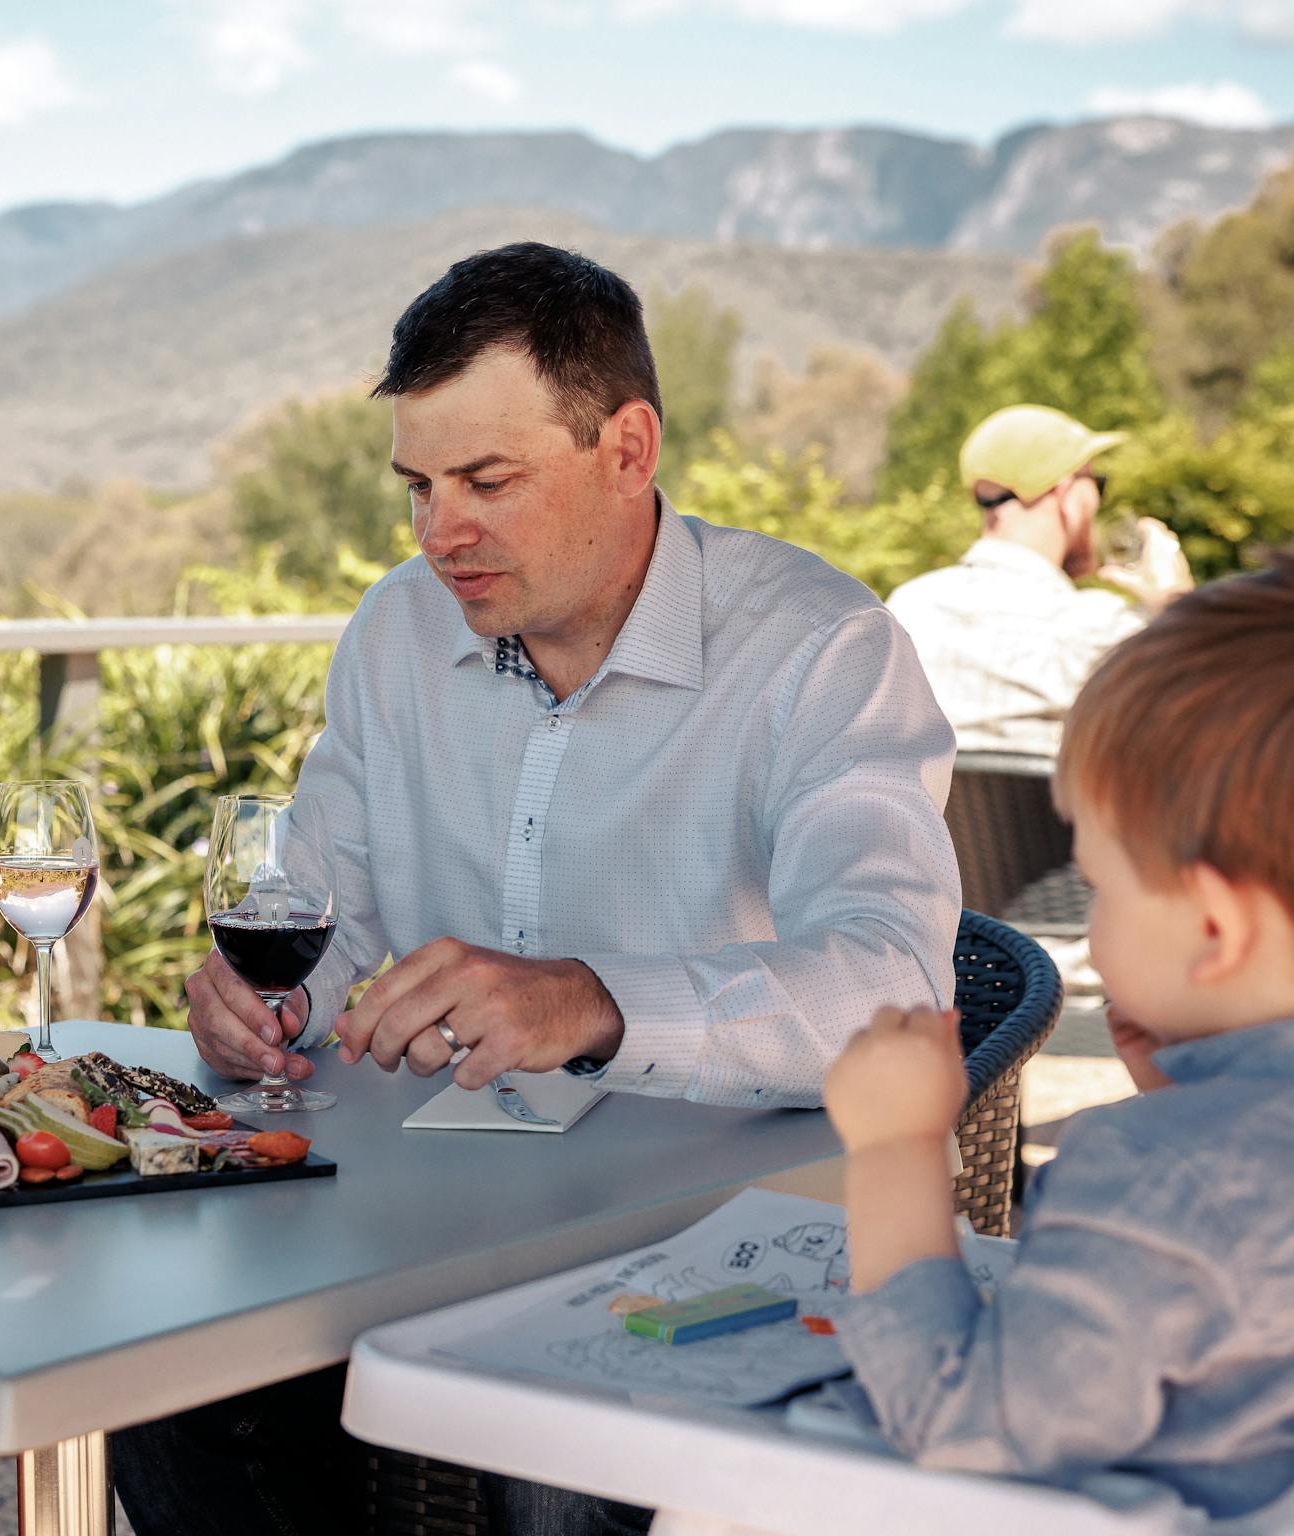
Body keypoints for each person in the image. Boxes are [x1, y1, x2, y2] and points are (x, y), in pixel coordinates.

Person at [115, 242, 962, 1536]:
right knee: (178, 1386)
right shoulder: (397, 634)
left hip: (702, 1238)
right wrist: (258, 1001)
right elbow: (315, 909)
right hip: (422, 1217)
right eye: (417, 486)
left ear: (629, 448)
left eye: (487, 481)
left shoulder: (822, 651)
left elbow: (891, 983)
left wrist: (595, 1002)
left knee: (568, 1473)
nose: (437, 533)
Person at [828, 554, 1294, 1518]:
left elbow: (973, 1431)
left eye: (1103, 885)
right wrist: (1184, 1104)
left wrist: (897, 1151)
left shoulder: (1154, 1173)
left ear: (1213, 926)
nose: (1093, 921)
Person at [884, 403, 1193, 758]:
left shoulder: (905, 609)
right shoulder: (1102, 630)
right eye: (1097, 483)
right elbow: (1213, 740)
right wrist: (1179, 608)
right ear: (1066, 495)